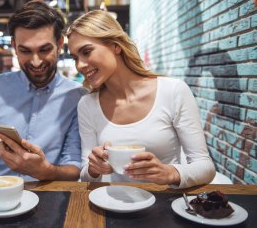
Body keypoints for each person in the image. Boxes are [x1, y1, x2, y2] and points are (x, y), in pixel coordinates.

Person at [66, 10, 216, 188]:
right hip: (116, 205)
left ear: (116, 46)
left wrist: (170, 173)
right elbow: (86, 176)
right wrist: (93, 168)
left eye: (87, 52)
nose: (80, 65)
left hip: (167, 205)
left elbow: (205, 167)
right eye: (75, 58)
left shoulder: (173, 90)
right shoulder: (87, 104)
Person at [0, 0, 85, 181]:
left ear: (60, 43)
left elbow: (74, 167)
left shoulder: (77, 96)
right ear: (14, 46)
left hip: (49, 193)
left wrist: (45, 170)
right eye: (25, 51)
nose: (36, 61)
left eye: (45, 50)